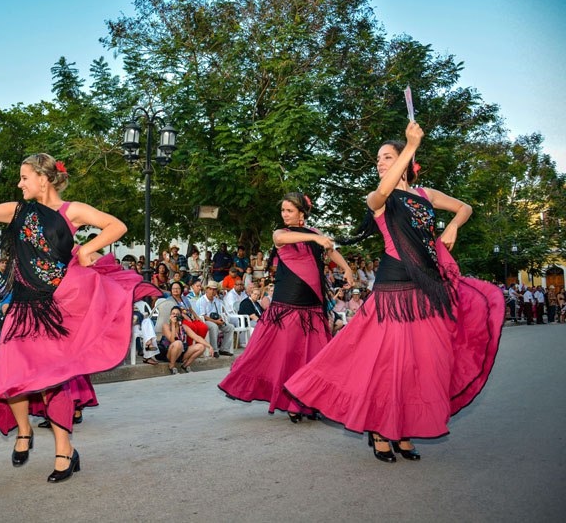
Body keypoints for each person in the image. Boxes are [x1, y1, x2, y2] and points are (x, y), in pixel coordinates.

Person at [284, 121, 504, 462]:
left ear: (403, 159)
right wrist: (411, 147)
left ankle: (402, 431)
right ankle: (380, 430)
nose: (380, 163)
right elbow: (382, 192)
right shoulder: (378, 198)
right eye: (378, 160)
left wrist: (454, 228)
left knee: (420, 364)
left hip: (426, 289)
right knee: (389, 364)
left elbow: (465, 207)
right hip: (392, 292)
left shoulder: (425, 194)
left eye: (387, 157)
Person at [0, 153, 158, 483]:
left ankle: (64, 449)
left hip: (55, 310)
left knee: (54, 380)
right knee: (11, 374)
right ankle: (24, 431)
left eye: (24, 177)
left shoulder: (72, 211)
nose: (19, 183)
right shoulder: (16, 210)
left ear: (44, 179)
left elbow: (117, 225)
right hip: (22, 309)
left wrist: (87, 249)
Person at [219, 193, 352, 420]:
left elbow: (331, 250)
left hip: (312, 304)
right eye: (283, 210)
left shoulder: (316, 235)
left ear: (302, 213)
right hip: (287, 304)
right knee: (287, 354)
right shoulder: (281, 233)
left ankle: (309, 400)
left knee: (313, 355)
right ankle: (290, 400)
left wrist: (347, 268)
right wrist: (315, 239)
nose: (285, 215)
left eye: (289, 211)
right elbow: (282, 240)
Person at [161, 306, 209, 374]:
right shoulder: (166, 326)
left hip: (181, 353)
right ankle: (171, 366)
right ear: (170, 315)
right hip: (168, 353)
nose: (175, 316)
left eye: (177, 314)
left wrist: (209, 346)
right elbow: (172, 341)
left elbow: (197, 337)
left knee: (201, 347)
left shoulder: (183, 327)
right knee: (178, 343)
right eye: (173, 313)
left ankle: (185, 365)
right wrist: (173, 325)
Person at [196, 281, 235, 356]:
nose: (212, 291)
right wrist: (216, 321)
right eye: (210, 289)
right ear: (206, 290)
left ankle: (224, 349)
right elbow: (203, 316)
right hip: (205, 321)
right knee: (214, 326)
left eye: (214, 289)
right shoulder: (201, 301)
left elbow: (220, 313)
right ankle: (214, 350)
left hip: (216, 320)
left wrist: (221, 319)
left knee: (230, 327)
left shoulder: (217, 301)